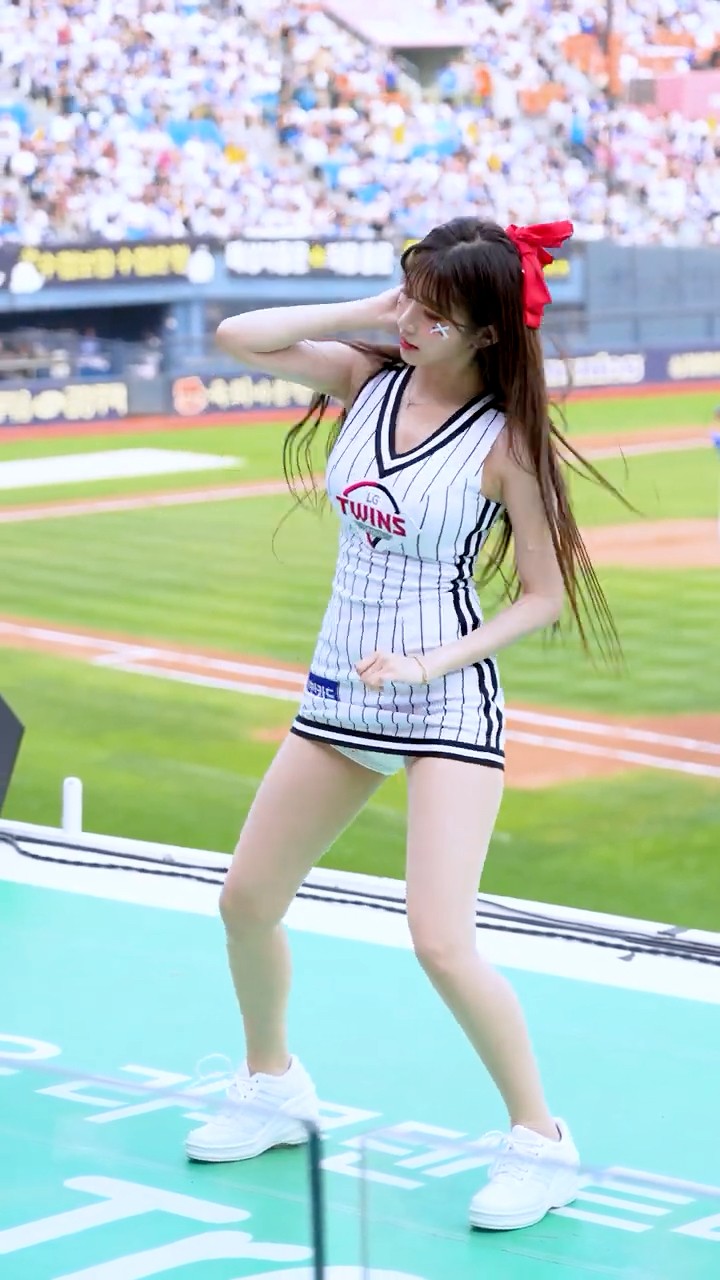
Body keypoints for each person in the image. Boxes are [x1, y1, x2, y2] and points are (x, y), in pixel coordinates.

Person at [185, 217, 620, 1231]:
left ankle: (542, 1142)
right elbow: (236, 336)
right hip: (340, 690)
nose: (413, 321)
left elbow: (543, 597)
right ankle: (272, 1082)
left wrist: (431, 661)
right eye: (409, 297)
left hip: (443, 701)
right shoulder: (366, 378)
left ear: (490, 334)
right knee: (245, 900)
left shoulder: (504, 443)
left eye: (437, 312)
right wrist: (373, 311)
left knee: (440, 940)